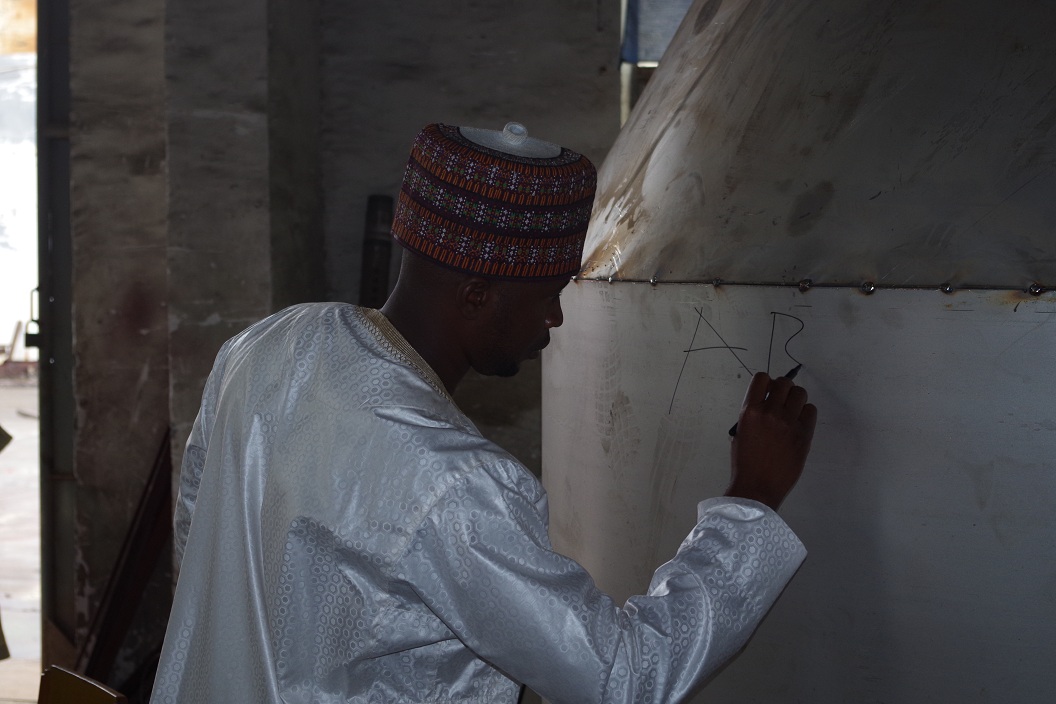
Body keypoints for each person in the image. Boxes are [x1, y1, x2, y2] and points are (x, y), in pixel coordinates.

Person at [150, 123, 817, 704]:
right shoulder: (453, 485)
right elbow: (623, 678)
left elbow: (199, 533)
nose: (556, 319)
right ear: (476, 295)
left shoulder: (268, 346)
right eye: (548, 296)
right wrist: (752, 498)